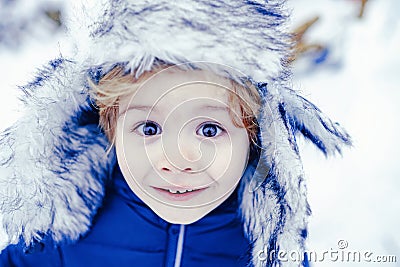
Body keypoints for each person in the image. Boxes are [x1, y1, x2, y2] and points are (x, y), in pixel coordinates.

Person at [0, 1, 351, 266]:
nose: (176, 160)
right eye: (149, 128)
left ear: (256, 135)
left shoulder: (268, 250)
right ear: (111, 129)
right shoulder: (64, 229)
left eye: (209, 129)